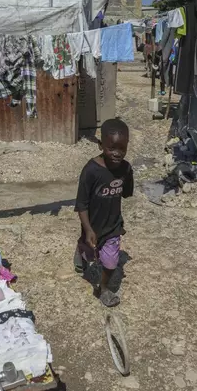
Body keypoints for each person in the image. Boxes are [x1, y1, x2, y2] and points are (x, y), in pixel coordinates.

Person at [74, 119, 134, 307]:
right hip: (92, 225)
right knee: (89, 253)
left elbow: (126, 193)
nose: (117, 154)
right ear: (100, 145)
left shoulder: (126, 169)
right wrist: (89, 229)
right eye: (111, 148)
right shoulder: (91, 171)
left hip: (113, 226)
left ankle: (104, 288)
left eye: (122, 149)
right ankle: (81, 250)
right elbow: (81, 204)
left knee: (110, 262)